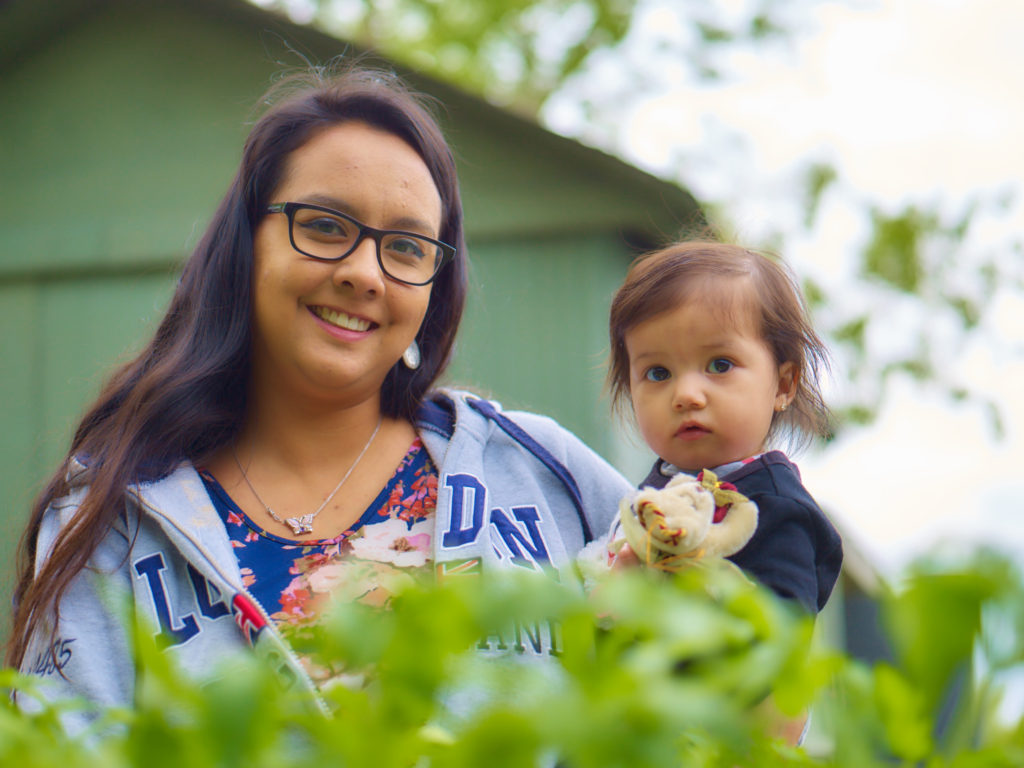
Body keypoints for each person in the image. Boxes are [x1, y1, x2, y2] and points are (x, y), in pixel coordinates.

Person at [6, 64, 633, 729]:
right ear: (248, 243)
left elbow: (716, 656)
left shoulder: (540, 471)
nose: (364, 273)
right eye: (327, 226)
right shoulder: (110, 520)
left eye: (407, 247)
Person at [605, 241, 843, 613]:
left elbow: (778, 637)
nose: (686, 395)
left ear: (783, 385)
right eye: (658, 373)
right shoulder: (645, 498)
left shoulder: (774, 509)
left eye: (719, 365)